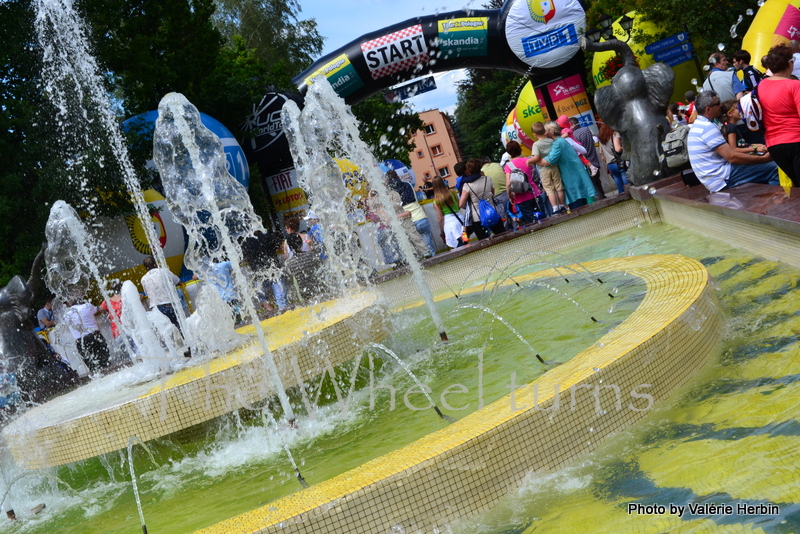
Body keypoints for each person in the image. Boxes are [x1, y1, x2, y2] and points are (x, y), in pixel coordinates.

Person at [687, 91, 779, 192]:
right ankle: (778, 200)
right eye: (717, 103)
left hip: (714, 178)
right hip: (722, 178)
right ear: (708, 109)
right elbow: (732, 156)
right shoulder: (707, 128)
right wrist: (763, 159)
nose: (720, 105)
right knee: (775, 167)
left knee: (762, 166)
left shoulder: (698, 125)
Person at [758, 44, 800, 186]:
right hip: (796, 140)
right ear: (789, 63)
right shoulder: (794, 85)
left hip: (774, 145)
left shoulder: (761, 86)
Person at [537, 121, 597, 210]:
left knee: (579, 210)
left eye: (545, 131)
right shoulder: (562, 140)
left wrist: (535, 160)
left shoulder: (557, 143)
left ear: (552, 131)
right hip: (577, 179)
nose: (544, 133)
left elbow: (549, 161)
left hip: (572, 182)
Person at [387, 170, 436, 257]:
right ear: (397, 176)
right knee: (428, 246)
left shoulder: (390, 192)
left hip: (406, 221)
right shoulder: (407, 184)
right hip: (420, 217)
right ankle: (434, 258)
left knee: (414, 248)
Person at [459, 157, 506, 239]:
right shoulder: (488, 179)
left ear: (468, 170)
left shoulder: (467, 185)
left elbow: (461, 204)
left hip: (477, 217)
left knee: (483, 243)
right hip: (492, 213)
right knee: (502, 237)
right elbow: (492, 193)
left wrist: (470, 206)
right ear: (480, 167)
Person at [242, 229, 288, 312]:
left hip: (259, 275)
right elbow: (280, 245)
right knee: (281, 300)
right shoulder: (267, 236)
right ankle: (286, 315)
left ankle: (271, 312)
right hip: (274, 271)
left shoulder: (245, 242)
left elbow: (244, 257)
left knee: (263, 299)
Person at [63, 300, 111, 373]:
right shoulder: (87, 306)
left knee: (93, 368)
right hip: (95, 337)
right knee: (106, 362)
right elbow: (98, 309)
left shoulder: (66, 315)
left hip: (81, 342)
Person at [528, 122, 567, 214]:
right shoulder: (551, 141)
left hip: (543, 170)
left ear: (534, 134)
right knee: (558, 187)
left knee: (549, 189)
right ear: (545, 131)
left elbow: (536, 157)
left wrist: (529, 161)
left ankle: (555, 208)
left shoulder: (536, 145)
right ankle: (562, 205)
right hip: (554, 167)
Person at [140, 255, 183, 333]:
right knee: (180, 329)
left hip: (156, 310)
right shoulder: (164, 271)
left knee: (167, 334)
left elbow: (147, 293)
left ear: (145, 267)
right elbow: (178, 282)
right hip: (169, 306)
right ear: (155, 264)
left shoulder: (143, 279)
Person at [502, 141, 541, 224]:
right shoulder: (528, 160)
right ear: (520, 149)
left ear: (509, 152)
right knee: (541, 217)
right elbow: (535, 176)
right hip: (534, 193)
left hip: (521, 197)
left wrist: (510, 197)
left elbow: (509, 184)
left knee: (532, 223)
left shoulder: (508, 165)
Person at [569, 117, 605, 200]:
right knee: (598, 181)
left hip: (585, 162)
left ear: (573, 124)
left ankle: (599, 198)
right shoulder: (586, 130)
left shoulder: (574, 135)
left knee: (592, 183)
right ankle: (602, 195)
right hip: (594, 158)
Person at [284, 233, 325, 302]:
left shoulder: (290, 263)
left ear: (290, 247)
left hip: (304, 292)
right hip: (317, 288)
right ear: (301, 243)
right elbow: (318, 265)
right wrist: (310, 246)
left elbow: (291, 273)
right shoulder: (311, 256)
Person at [431, 175, 464, 249]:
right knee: (465, 241)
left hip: (450, 225)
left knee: (459, 247)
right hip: (461, 221)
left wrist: (442, 231)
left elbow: (440, 218)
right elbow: (459, 206)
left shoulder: (436, 201)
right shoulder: (453, 193)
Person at [597, 122, 628, 195]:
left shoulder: (601, 137)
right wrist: (625, 148)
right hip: (618, 162)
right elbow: (618, 149)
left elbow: (601, 151)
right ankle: (629, 194)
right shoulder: (615, 134)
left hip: (610, 164)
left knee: (618, 181)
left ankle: (622, 197)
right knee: (626, 183)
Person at [481, 157, 510, 230]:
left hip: (497, 198)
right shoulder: (497, 165)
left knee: (505, 221)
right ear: (489, 161)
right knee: (515, 217)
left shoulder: (482, 172)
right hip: (508, 193)